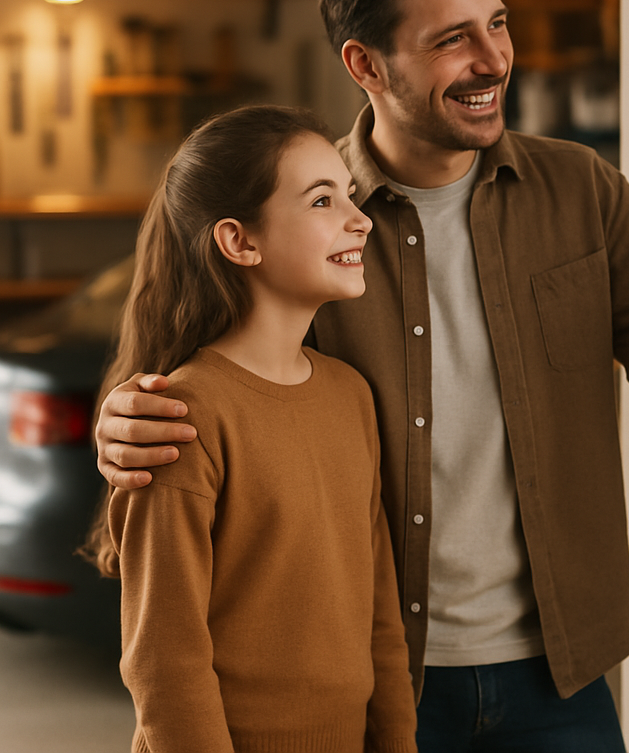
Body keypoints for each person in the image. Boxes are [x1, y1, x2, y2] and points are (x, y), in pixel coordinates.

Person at [93, 0, 629, 752]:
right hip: (381, 680)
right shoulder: (310, 221)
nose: (493, 60)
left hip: (561, 672)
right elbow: (220, 370)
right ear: (366, 64)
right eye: (452, 38)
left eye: (498, 24)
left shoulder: (582, 190)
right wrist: (124, 419)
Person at [89, 105, 417, 753]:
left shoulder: (349, 396)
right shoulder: (181, 420)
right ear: (240, 241)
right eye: (322, 200)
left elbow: (380, 611)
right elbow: (165, 663)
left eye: (349, 195)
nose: (359, 220)